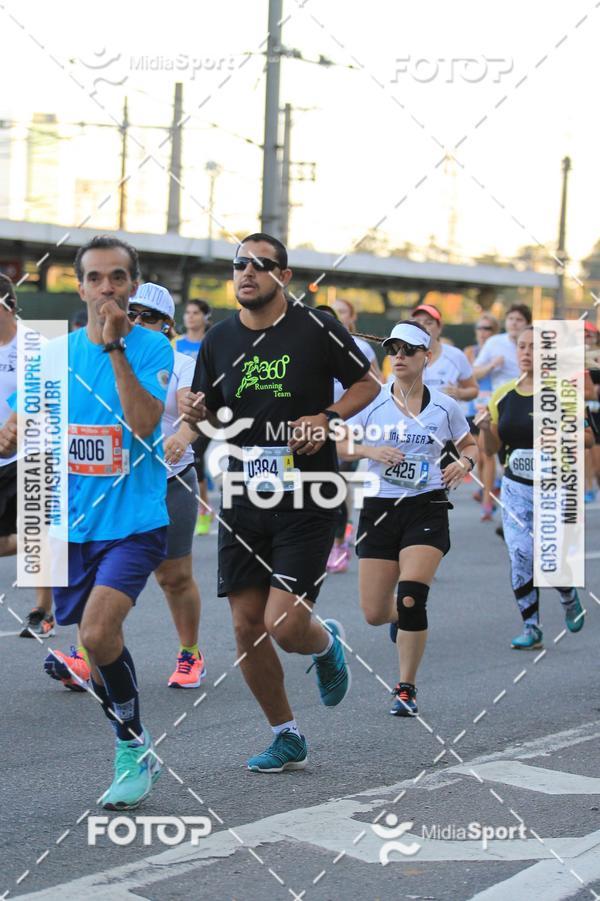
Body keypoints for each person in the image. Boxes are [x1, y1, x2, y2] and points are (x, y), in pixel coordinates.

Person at [0, 236, 191, 810]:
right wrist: (12, 430)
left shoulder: (153, 348)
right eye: (96, 278)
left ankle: (130, 748)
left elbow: (141, 424)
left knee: (96, 634)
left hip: (135, 520)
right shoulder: (52, 355)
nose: (106, 287)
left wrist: (115, 350)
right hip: (71, 524)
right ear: (80, 286)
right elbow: (26, 420)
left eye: (117, 277)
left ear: (131, 287)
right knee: (100, 642)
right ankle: (134, 737)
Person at [190, 232, 379, 773]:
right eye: (239, 265)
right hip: (244, 496)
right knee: (247, 625)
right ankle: (286, 733)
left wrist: (327, 418)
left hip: (310, 495)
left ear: (284, 276)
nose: (247, 273)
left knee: (285, 625)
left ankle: (325, 645)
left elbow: (367, 384)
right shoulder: (220, 340)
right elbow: (211, 418)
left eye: (260, 264)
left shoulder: (315, 326)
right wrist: (193, 411)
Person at [337, 320, 478, 717]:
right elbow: (343, 444)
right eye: (393, 349)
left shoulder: (445, 406)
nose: (398, 356)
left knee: (413, 593)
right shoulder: (371, 400)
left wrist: (464, 463)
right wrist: (371, 451)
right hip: (380, 508)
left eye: (408, 350)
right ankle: (403, 618)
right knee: (374, 613)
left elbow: (469, 444)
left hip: (426, 506)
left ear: (425, 357)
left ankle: (405, 688)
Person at [478, 326, 584, 649]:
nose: (525, 352)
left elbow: (590, 438)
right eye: (521, 347)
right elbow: (490, 448)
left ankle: (567, 595)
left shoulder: (563, 392)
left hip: (554, 486)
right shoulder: (504, 394)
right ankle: (531, 626)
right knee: (521, 553)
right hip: (514, 487)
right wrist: (484, 427)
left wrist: (564, 437)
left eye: (533, 347)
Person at [128, 283, 206, 687]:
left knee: (172, 577)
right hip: (118, 483)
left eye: (149, 317)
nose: (139, 322)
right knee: (101, 569)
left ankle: (190, 653)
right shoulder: (110, 359)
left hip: (171, 480)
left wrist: (182, 435)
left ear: (167, 326)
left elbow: (194, 410)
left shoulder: (182, 364)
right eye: (133, 315)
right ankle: (86, 652)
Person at [0, 273, 54, 637]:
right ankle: (53, 539)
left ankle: (42, 611)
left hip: (34, 451)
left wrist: (19, 431)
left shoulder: (38, 344)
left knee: (33, 526)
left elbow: (51, 398)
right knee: (12, 540)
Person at [176, 300, 214, 536]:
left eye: (196, 313)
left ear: (205, 317)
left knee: (197, 455)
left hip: (211, 409)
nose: (190, 317)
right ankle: (202, 508)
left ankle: (204, 508)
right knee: (193, 457)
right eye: (187, 313)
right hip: (182, 409)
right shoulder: (175, 343)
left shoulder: (212, 342)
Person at [464, 313, 500, 520]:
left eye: (487, 328)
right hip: (472, 408)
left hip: (492, 407)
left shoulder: (502, 350)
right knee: (480, 456)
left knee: (488, 454)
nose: (483, 332)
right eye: (480, 328)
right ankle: (490, 487)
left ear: (494, 333)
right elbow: (470, 374)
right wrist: (490, 365)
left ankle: (487, 499)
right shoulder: (470, 352)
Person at [410, 304, 478, 404]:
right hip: (413, 417)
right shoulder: (403, 355)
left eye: (428, 323)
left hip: (446, 418)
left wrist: (459, 393)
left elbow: (473, 390)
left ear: (439, 327)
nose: (422, 327)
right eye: (417, 323)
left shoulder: (455, 355)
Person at [473, 303, 531, 391]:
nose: (514, 323)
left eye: (519, 320)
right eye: (510, 319)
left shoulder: (537, 344)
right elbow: (473, 373)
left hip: (528, 394)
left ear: (528, 324)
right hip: (501, 397)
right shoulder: (494, 342)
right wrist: (491, 365)